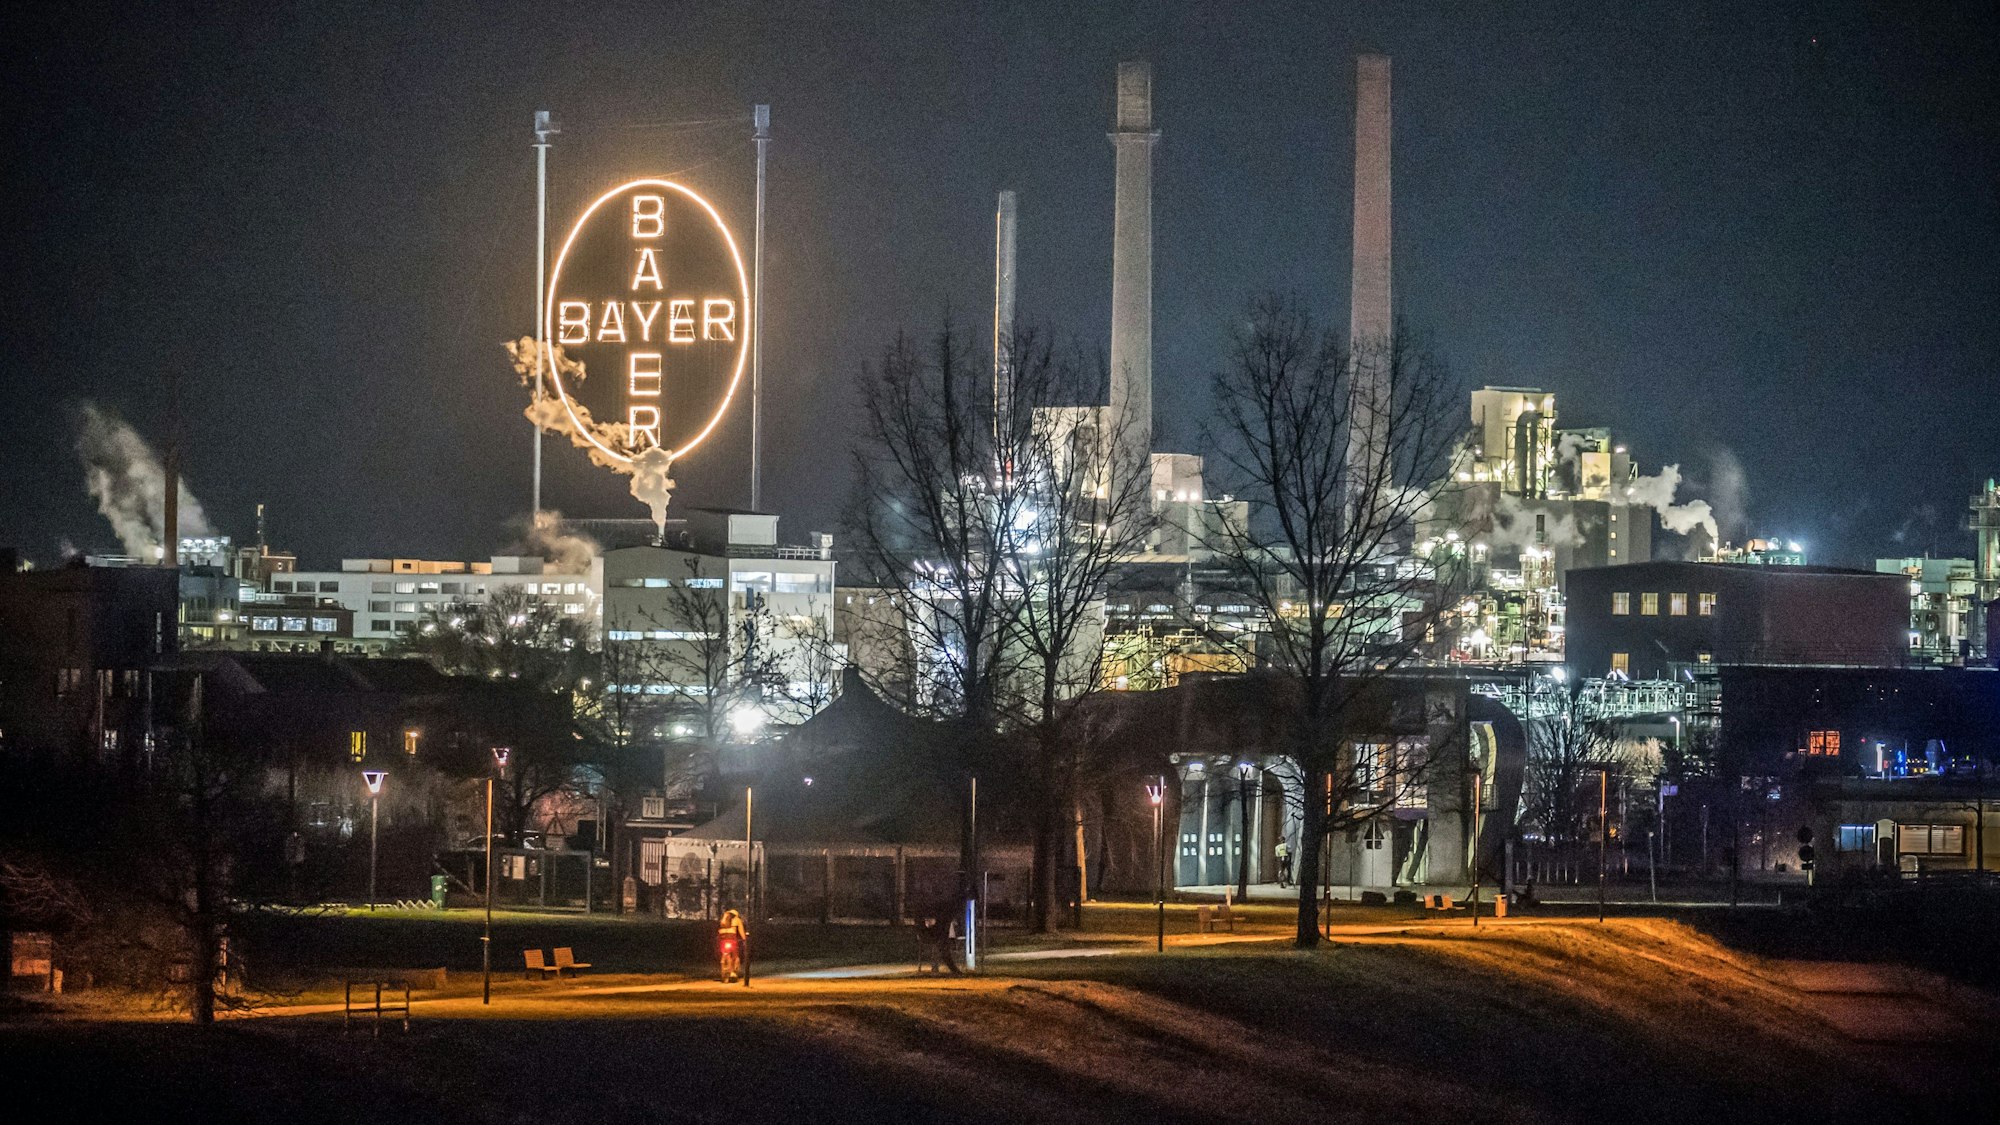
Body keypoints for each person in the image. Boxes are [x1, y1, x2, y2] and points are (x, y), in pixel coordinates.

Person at [717, 908, 747, 983]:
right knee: (735, 954)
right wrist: (744, 939)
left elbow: (718, 930)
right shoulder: (737, 920)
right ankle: (733, 972)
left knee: (724, 952)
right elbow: (741, 931)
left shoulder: (723, 919)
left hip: (722, 938)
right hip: (731, 938)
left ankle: (724, 969)